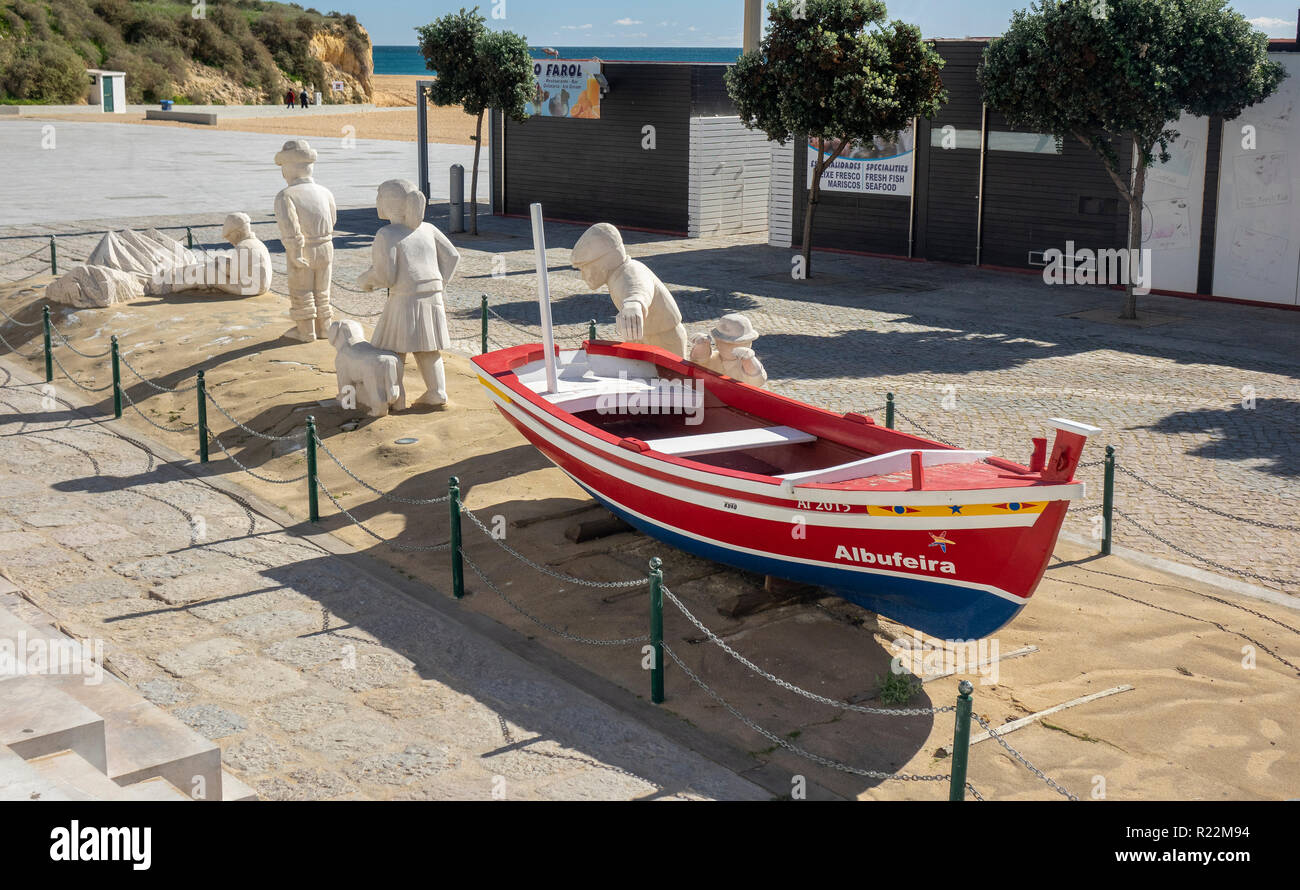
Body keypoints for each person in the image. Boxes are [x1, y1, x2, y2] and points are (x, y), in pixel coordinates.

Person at [356, 179, 460, 408]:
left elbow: (386, 276)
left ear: (389, 203)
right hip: (431, 295)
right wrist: (439, 282)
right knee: (428, 348)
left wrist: (366, 280)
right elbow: (452, 257)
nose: (376, 201)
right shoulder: (428, 229)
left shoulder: (387, 234)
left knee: (392, 349)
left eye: (379, 196)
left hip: (403, 298)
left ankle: (395, 398)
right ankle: (437, 391)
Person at [570, 222, 687, 356]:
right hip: (646, 338)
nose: (583, 275)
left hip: (664, 341)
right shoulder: (618, 275)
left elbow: (639, 288)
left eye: (585, 268)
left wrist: (634, 304)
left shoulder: (630, 271)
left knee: (670, 377)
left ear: (603, 262)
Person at [273, 139, 337, 341]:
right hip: (326, 246)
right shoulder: (325, 192)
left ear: (289, 168)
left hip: (303, 250)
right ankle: (325, 328)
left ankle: (307, 331)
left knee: (302, 291)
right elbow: (333, 219)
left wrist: (295, 252)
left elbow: (290, 228)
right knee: (322, 290)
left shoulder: (286, 195)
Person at [688, 314, 768, 388]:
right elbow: (698, 362)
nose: (725, 347)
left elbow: (757, 379)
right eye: (722, 342)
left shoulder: (744, 365)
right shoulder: (714, 358)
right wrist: (703, 344)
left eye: (733, 344)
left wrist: (749, 360)